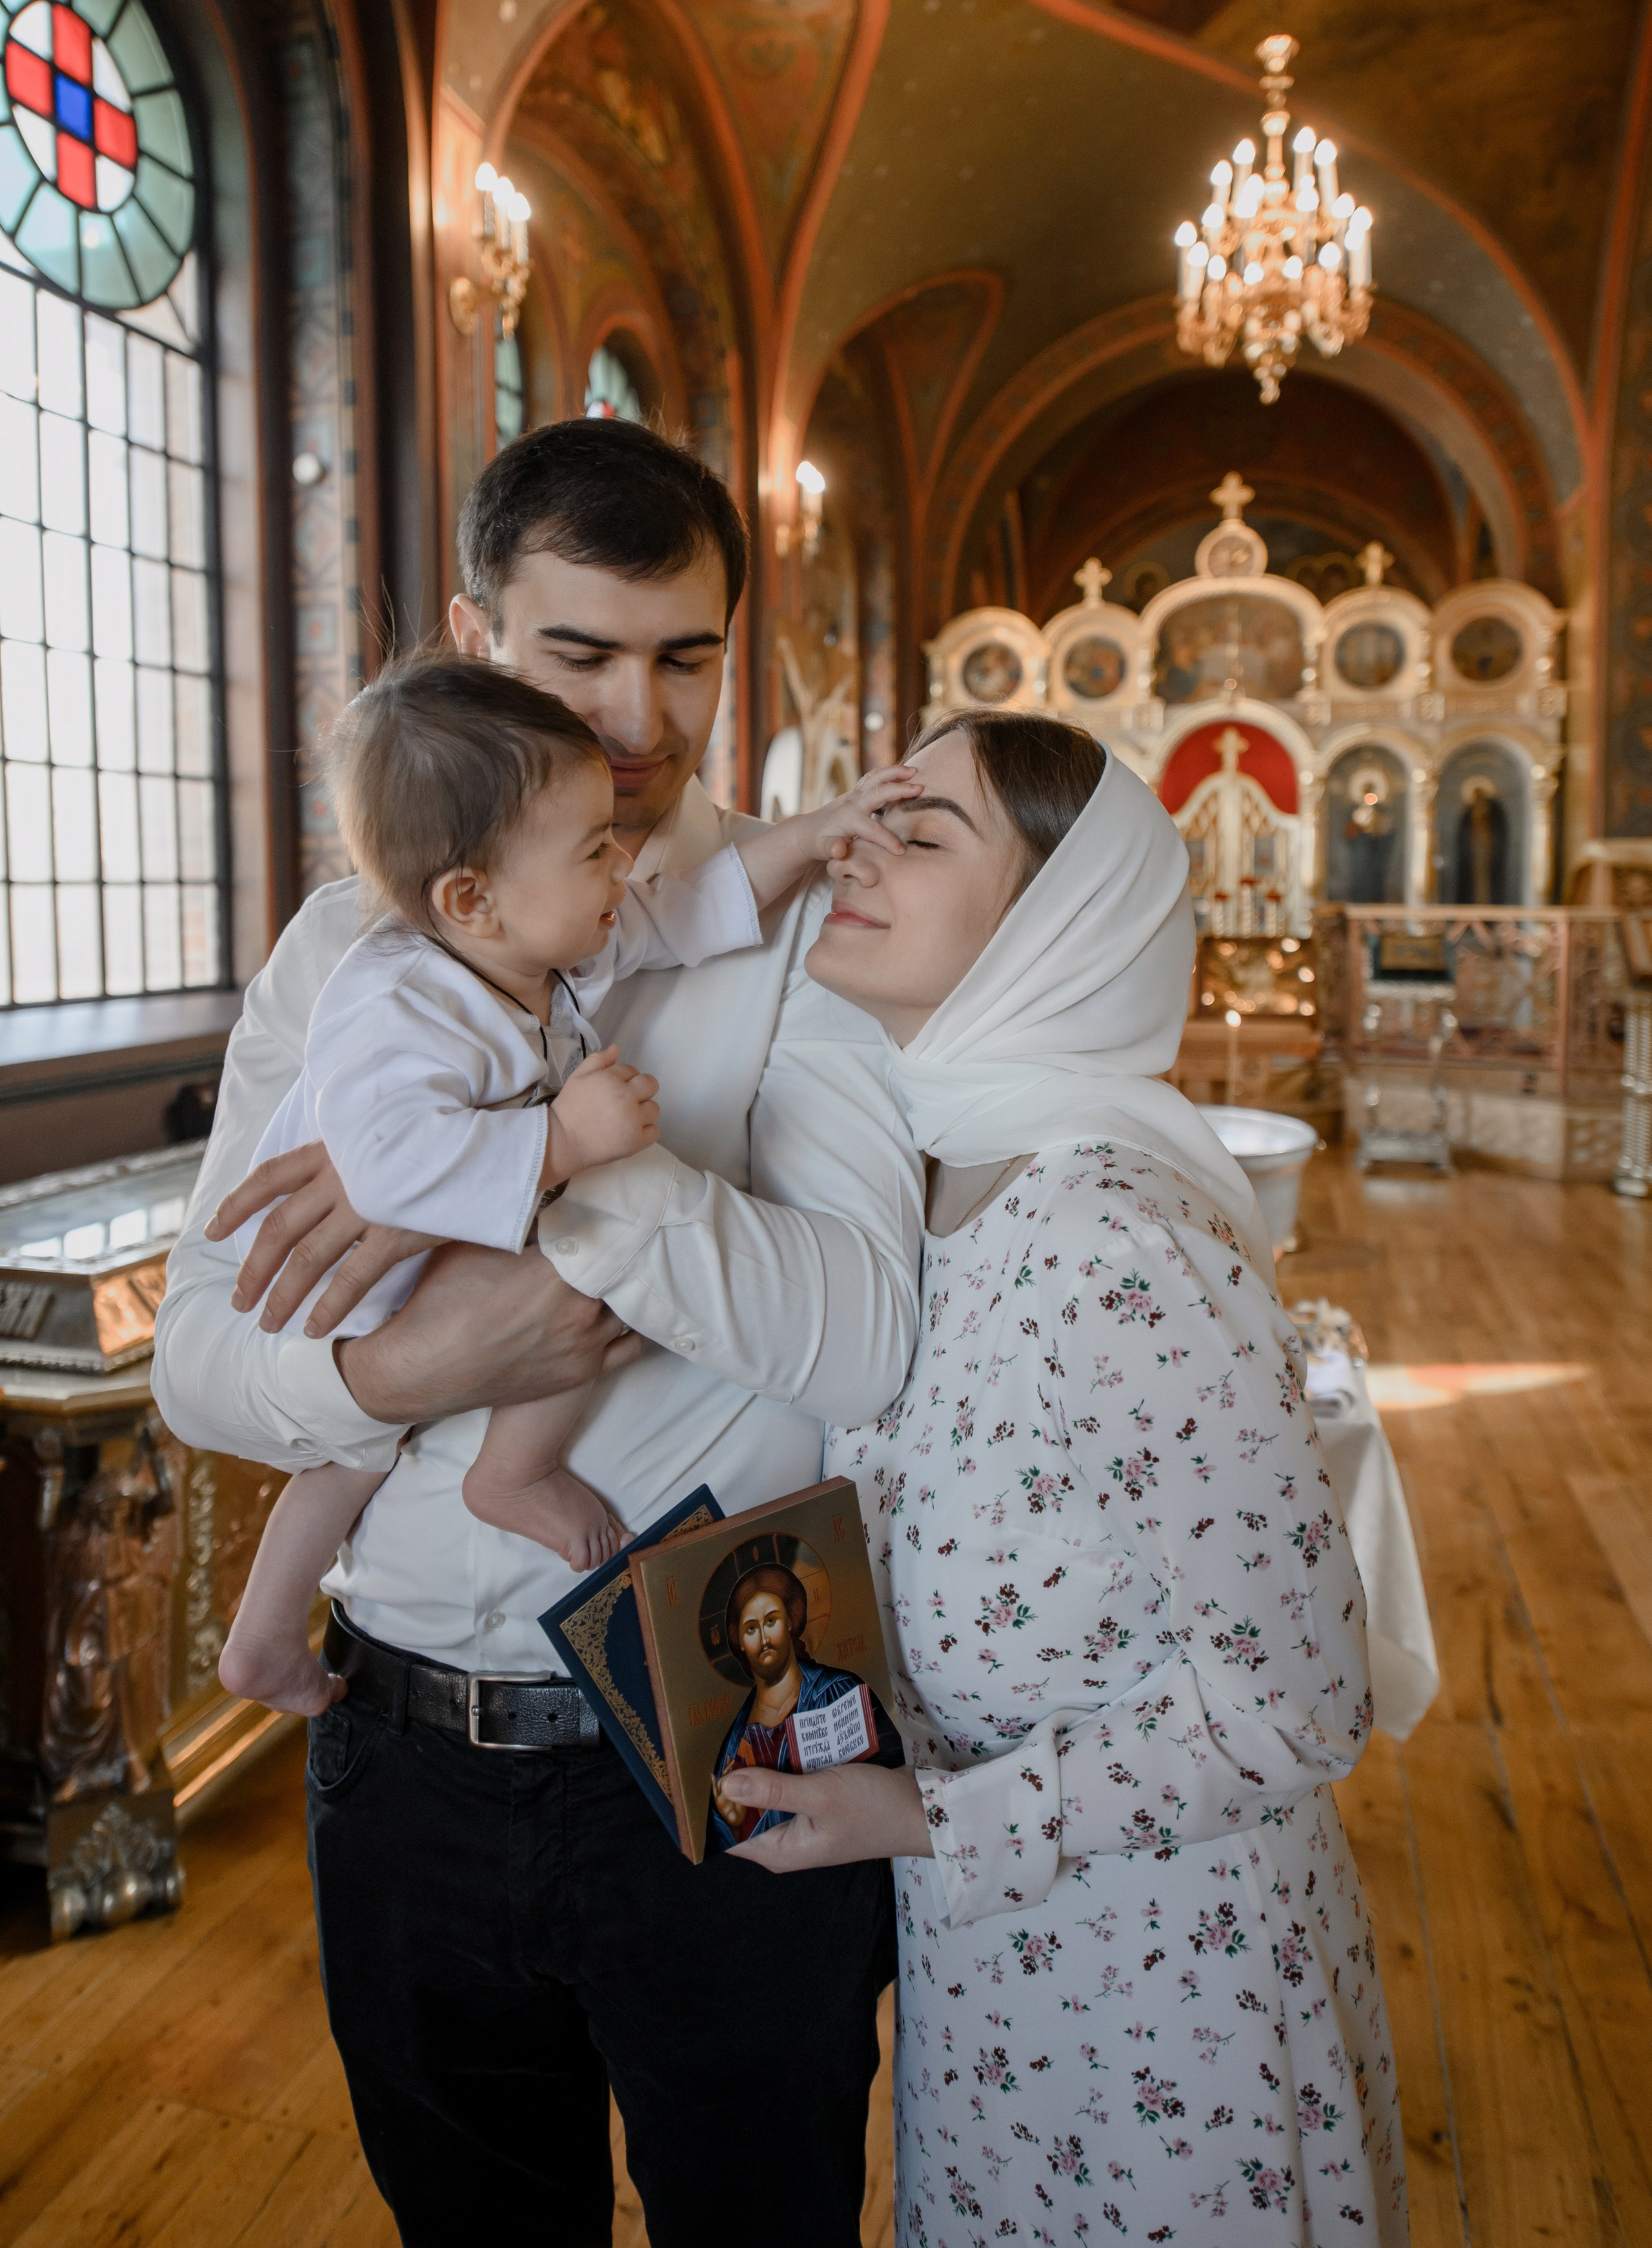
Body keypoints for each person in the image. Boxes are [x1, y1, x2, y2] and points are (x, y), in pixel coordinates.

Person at [152, 420, 925, 2248]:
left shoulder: (817, 936)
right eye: (579, 655)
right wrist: (410, 1369)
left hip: (724, 1734)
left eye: (686, 655)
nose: (642, 722)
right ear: (472, 629)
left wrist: (538, 1195)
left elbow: (867, 1339)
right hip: (401, 1753)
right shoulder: (352, 949)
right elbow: (200, 1359)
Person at [719, 712, 1407, 2243]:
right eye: (870, 814)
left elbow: (1298, 1700)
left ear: (1052, 921)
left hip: (1168, 1985)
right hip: (1002, 1965)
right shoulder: (943, 1166)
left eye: (924, 830)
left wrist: (930, 1821)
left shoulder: (1108, 1234)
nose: (855, 846)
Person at [216, 649, 919, 1716]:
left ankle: (272, 1634)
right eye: (594, 852)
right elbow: (383, 1166)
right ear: (470, 895)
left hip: (432, 1266)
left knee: (542, 1303)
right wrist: (558, 1140)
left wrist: (815, 837)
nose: (619, 872)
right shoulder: (395, 996)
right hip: (353, 1293)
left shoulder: (530, 938)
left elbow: (691, 911)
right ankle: (479, 1497)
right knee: (551, 1286)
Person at [709, 1563, 901, 1850]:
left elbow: (893, 1774)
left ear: (790, 1621)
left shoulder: (839, 1691)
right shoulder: (735, 1741)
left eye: (771, 1621)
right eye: (751, 1628)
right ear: (740, 1643)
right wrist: (735, 1825)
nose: (763, 1639)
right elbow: (724, 1844)